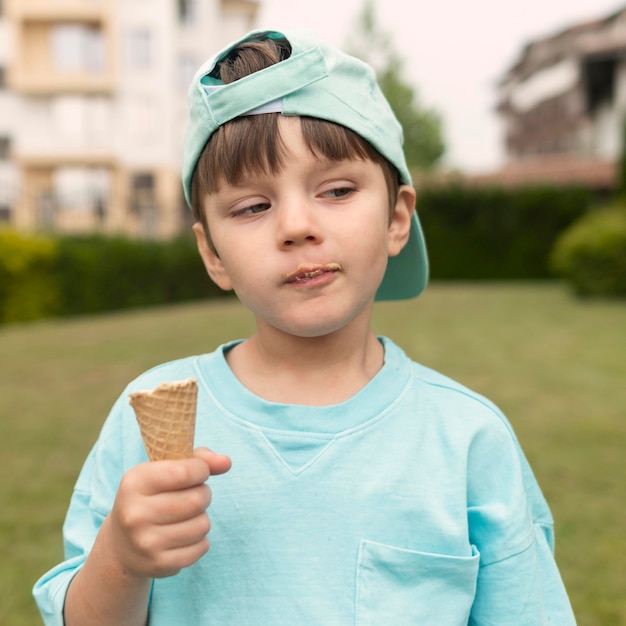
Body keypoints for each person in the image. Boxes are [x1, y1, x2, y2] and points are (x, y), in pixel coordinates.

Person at [33, 29, 576, 625]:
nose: (296, 225)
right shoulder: (142, 425)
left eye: (337, 190)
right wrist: (121, 559)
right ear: (212, 253)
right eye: (251, 207)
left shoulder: (469, 441)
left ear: (397, 218)